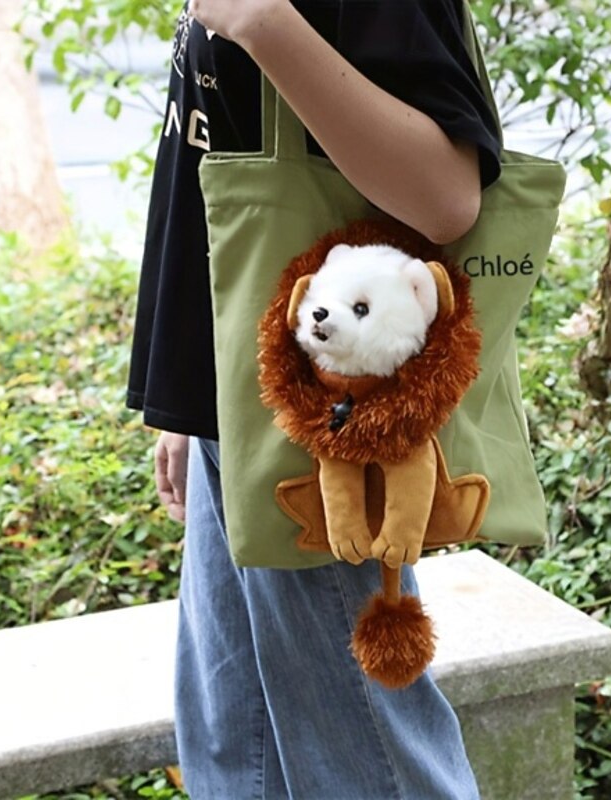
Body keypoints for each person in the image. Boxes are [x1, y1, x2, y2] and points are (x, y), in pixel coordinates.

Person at [127, 1, 503, 797]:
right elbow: (209, 150)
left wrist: (264, 20)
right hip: (240, 399)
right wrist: (190, 399)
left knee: (369, 765)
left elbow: (447, 197)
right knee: (237, 755)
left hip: (324, 409)